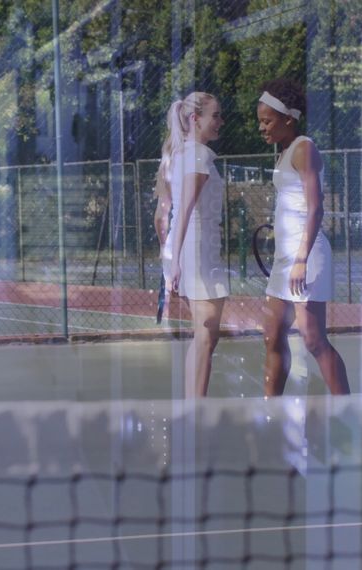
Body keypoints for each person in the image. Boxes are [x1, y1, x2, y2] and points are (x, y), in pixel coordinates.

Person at [256, 79, 350, 396]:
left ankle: (346, 407)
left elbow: (316, 208)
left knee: (312, 338)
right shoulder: (284, 152)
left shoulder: (304, 148)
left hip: (305, 257)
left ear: (288, 119)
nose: (262, 128)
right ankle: (272, 408)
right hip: (286, 260)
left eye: (267, 121)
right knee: (272, 334)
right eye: (260, 121)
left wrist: (300, 260)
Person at [153, 91, 228, 398]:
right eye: (216, 116)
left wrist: (170, 256)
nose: (220, 122)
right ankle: (196, 409)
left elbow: (166, 215)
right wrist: (176, 264)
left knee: (204, 335)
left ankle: (192, 403)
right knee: (206, 335)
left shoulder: (183, 154)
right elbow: (183, 210)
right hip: (198, 251)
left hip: (193, 249)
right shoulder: (197, 155)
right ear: (196, 119)